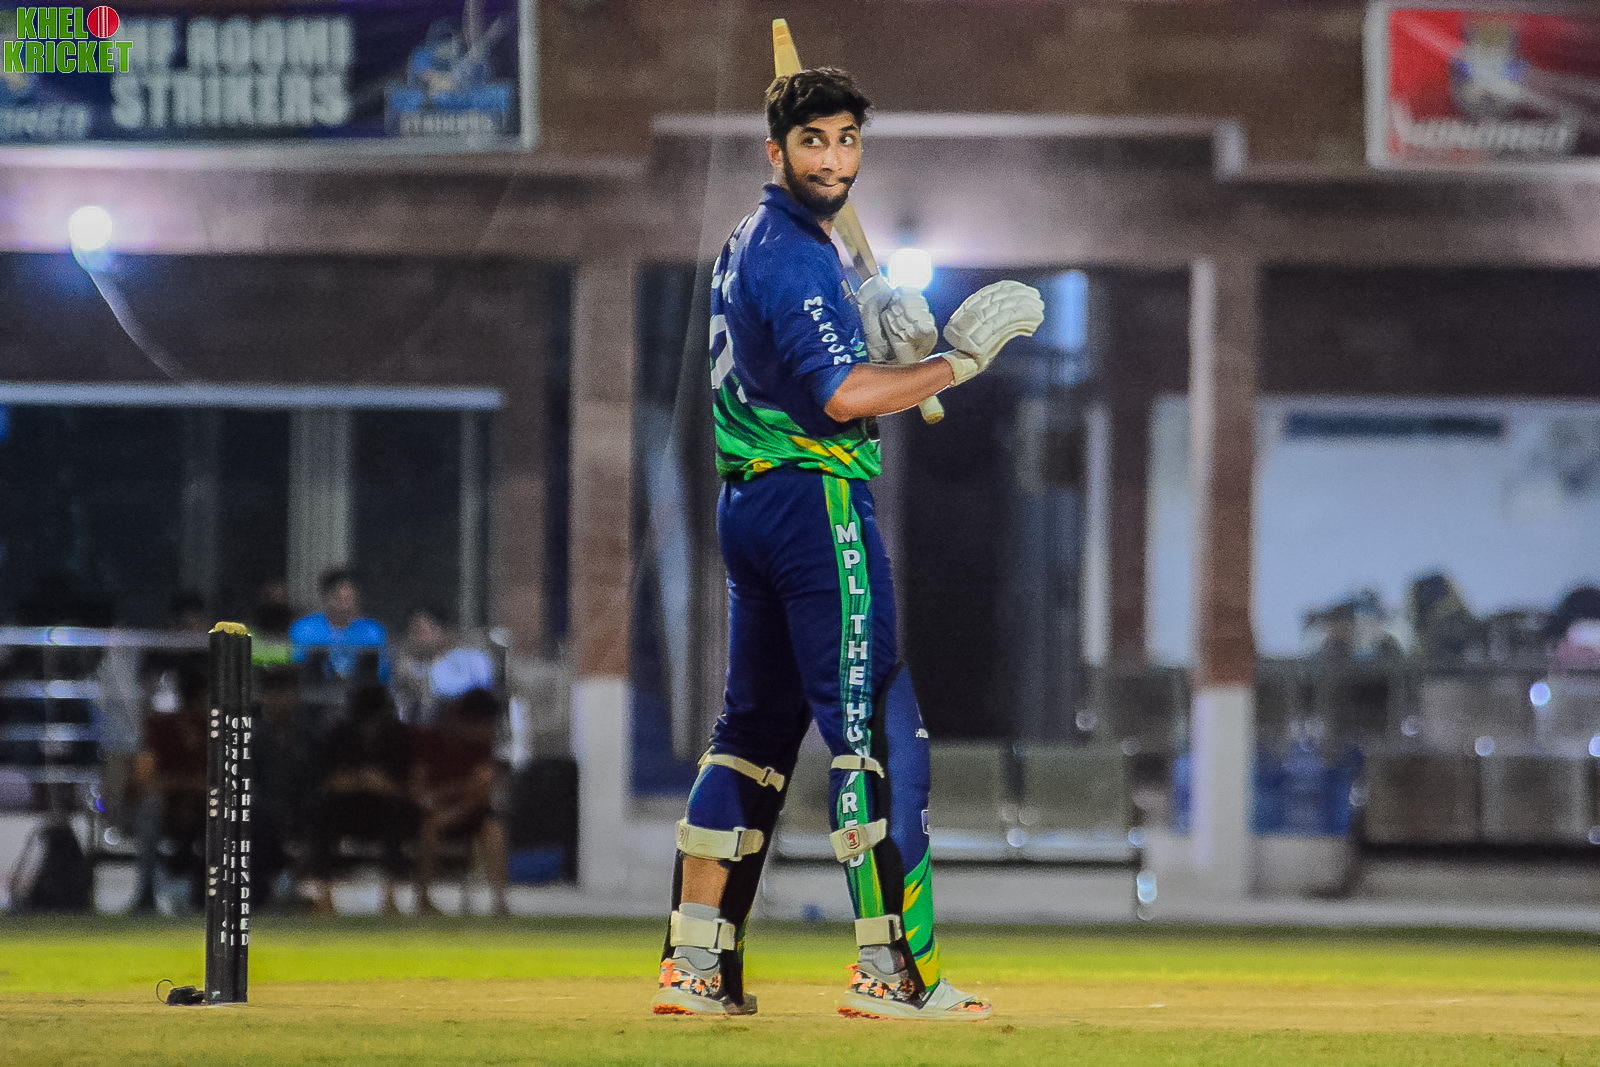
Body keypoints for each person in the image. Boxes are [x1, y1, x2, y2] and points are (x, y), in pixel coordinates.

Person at [652, 67, 1042, 1020]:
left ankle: (696, 966)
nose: (832, 159)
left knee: (749, 736)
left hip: (752, 505)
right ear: (774, 151)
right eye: (813, 141)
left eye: (846, 140)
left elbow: (806, 366)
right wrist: (953, 363)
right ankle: (892, 972)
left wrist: (876, 337)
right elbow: (841, 397)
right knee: (878, 731)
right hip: (815, 502)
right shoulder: (791, 250)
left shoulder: (755, 241)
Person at [303, 684, 416, 915]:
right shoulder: (338, 734)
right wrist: (355, 781)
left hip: (383, 809)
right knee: (321, 814)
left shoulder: (396, 736)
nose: (369, 727)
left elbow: (404, 787)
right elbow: (326, 782)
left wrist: (381, 784)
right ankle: (324, 897)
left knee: (397, 815)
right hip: (344, 808)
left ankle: (390, 898)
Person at [409, 687, 509, 917]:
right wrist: (447, 798)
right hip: (431, 814)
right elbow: (419, 789)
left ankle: (500, 903)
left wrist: (455, 806)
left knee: (494, 829)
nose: (488, 730)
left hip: (467, 813)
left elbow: (482, 792)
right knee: (428, 828)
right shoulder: (432, 742)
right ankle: (424, 899)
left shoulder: (483, 748)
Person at [391, 605, 495, 727]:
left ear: (442, 630)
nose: (418, 639)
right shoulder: (407, 668)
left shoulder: (472, 659)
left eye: (422, 631)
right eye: (413, 632)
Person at [289, 566, 389, 683]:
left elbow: (383, 674)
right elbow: (295, 670)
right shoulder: (303, 630)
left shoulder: (373, 632)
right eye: (339, 599)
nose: (345, 606)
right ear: (326, 598)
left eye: (349, 599)